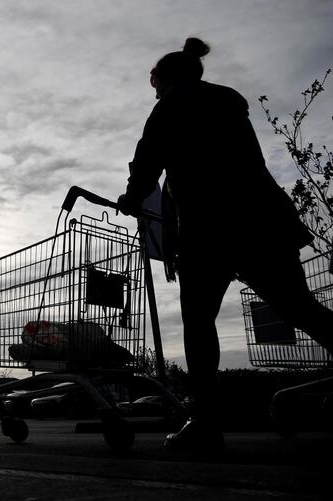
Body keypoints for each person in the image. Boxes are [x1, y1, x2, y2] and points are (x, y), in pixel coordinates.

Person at [117, 37, 333, 450]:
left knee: (199, 325)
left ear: (167, 79)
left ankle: (205, 423)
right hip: (266, 221)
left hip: (210, 229)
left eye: (155, 84)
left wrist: (132, 196)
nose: (156, 92)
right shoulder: (231, 105)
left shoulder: (172, 105)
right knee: (301, 308)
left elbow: (148, 159)